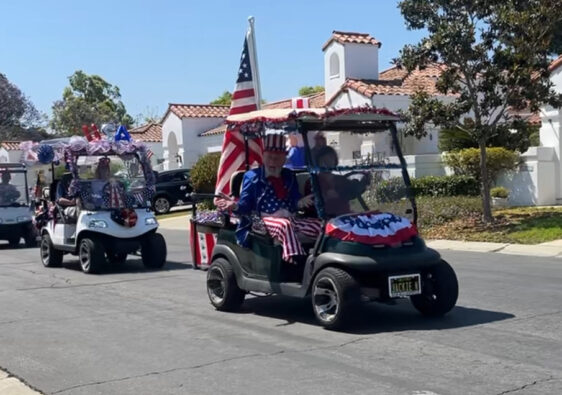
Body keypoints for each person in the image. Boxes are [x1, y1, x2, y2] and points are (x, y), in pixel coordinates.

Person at [216, 133, 321, 264]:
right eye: (270, 157)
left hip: (289, 217)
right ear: (264, 157)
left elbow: (295, 199)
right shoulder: (252, 176)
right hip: (261, 220)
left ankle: (320, 256)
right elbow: (245, 205)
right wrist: (235, 206)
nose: (273, 162)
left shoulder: (288, 175)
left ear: (284, 160)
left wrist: (301, 202)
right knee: (285, 226)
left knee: (321, 225)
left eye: (277, 158)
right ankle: (294, 260)